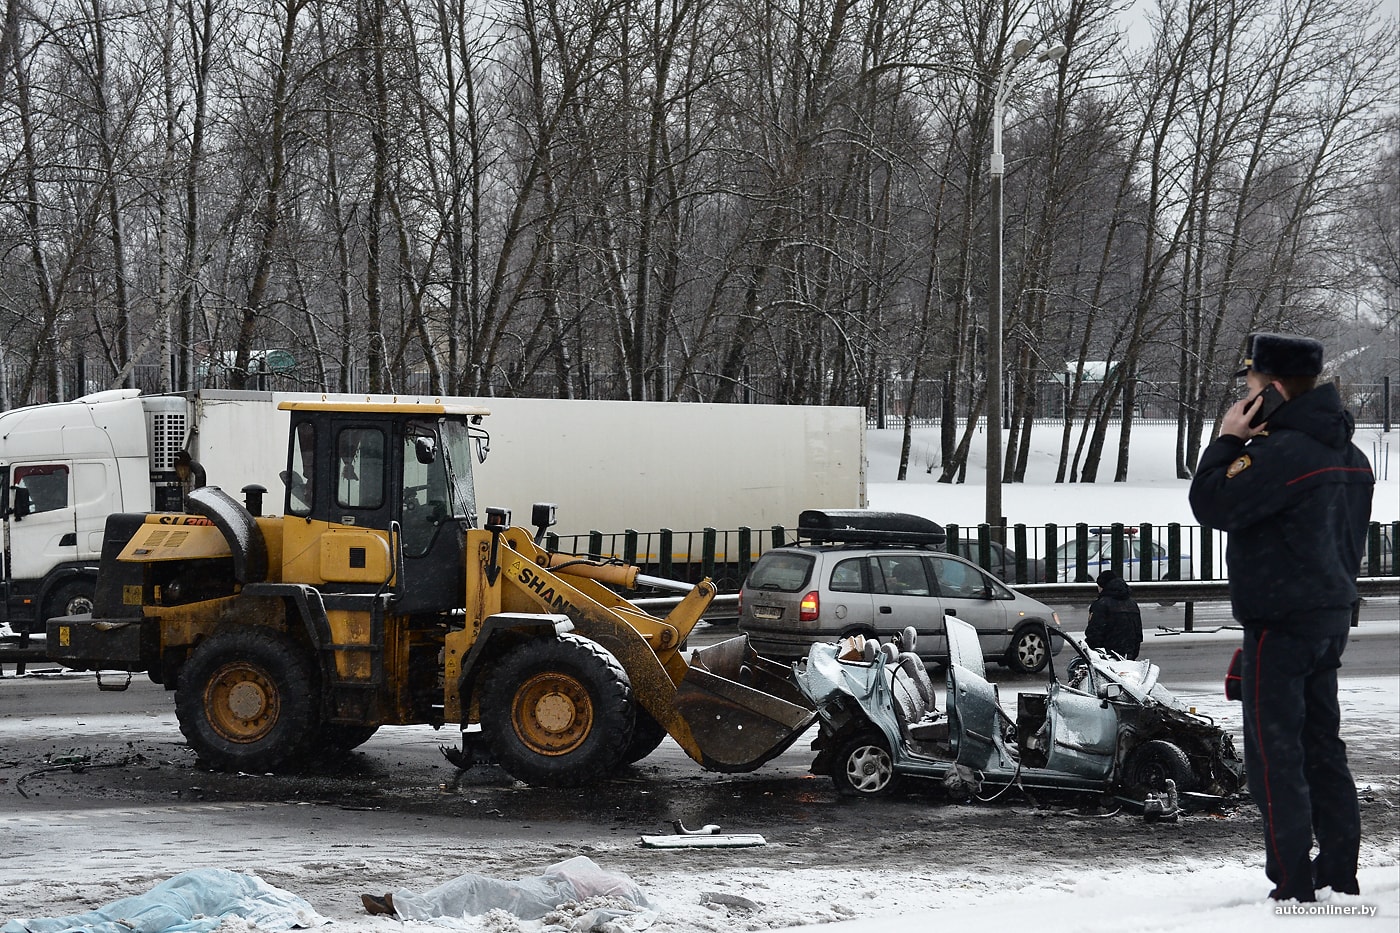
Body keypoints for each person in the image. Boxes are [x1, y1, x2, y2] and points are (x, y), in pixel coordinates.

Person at [1188, 332, 1374, 903]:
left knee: (1275, 755)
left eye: (1250, 383)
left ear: (1269, 388)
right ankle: (1339, 869)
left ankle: (1292, 883)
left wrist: (1226, 441)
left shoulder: (1280, 455)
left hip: (1279, 621)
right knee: (1323, 746)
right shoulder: (1349, 452)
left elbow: (1211, 502)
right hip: (1330, 617)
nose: (1245, 392)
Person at [1084, 570, 1143, 659]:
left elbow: (1094, 632)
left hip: (1107, 655)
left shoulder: (1101, 604)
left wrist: (1091, 651)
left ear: (1102, 587)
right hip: (1129, 654)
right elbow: (1138, 632)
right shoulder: (1132, 604)